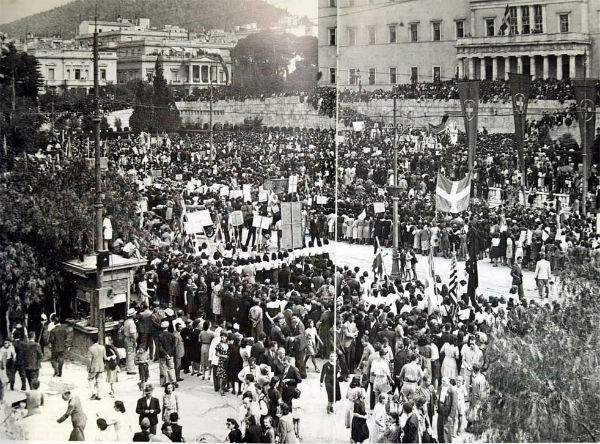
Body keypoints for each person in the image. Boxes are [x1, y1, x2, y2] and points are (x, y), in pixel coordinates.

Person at [437, 377, 458, 443]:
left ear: (448, 381)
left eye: (444, 381)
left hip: (447, 414)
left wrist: (451, 416)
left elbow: (454, 404)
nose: (442, 382)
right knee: (439, 429)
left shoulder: (452, 390)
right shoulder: (440, 387)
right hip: (440, 412)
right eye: (442, 381)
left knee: (446, 430)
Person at [87, 334, 107, 400]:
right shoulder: (102, 347)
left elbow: (89, 360)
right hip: (101, 366)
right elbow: (105, 358)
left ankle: (93, 393)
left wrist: (88, 368)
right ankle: (99, 395)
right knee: (99, 381)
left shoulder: (91, 349)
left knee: (90, 379)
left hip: (93, 366)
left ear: (91, 340)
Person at [123, 307, 139, 375]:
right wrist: (135, 341)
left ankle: (128, 367)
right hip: (130, 339)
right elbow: (132, 333)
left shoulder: (126, 321)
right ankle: (130, 370)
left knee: (128, 353)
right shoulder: (131, 323)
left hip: (126, 338)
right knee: (131, 354)